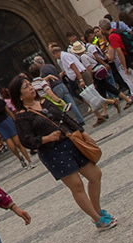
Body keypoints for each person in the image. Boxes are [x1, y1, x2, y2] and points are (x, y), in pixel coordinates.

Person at [9, 78, 114, 230]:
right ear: (19, 96)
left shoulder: (44, 101)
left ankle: (97, 209)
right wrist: (46, 139)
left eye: (30, 85)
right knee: (77, 185)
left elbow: (65, 118)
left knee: (95, 175)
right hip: (52, 152)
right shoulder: (22, 116)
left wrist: (82, 133)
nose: (31, 88)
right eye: (26, 87)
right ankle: (97, 219)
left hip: (70, 142)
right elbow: (26, 140)